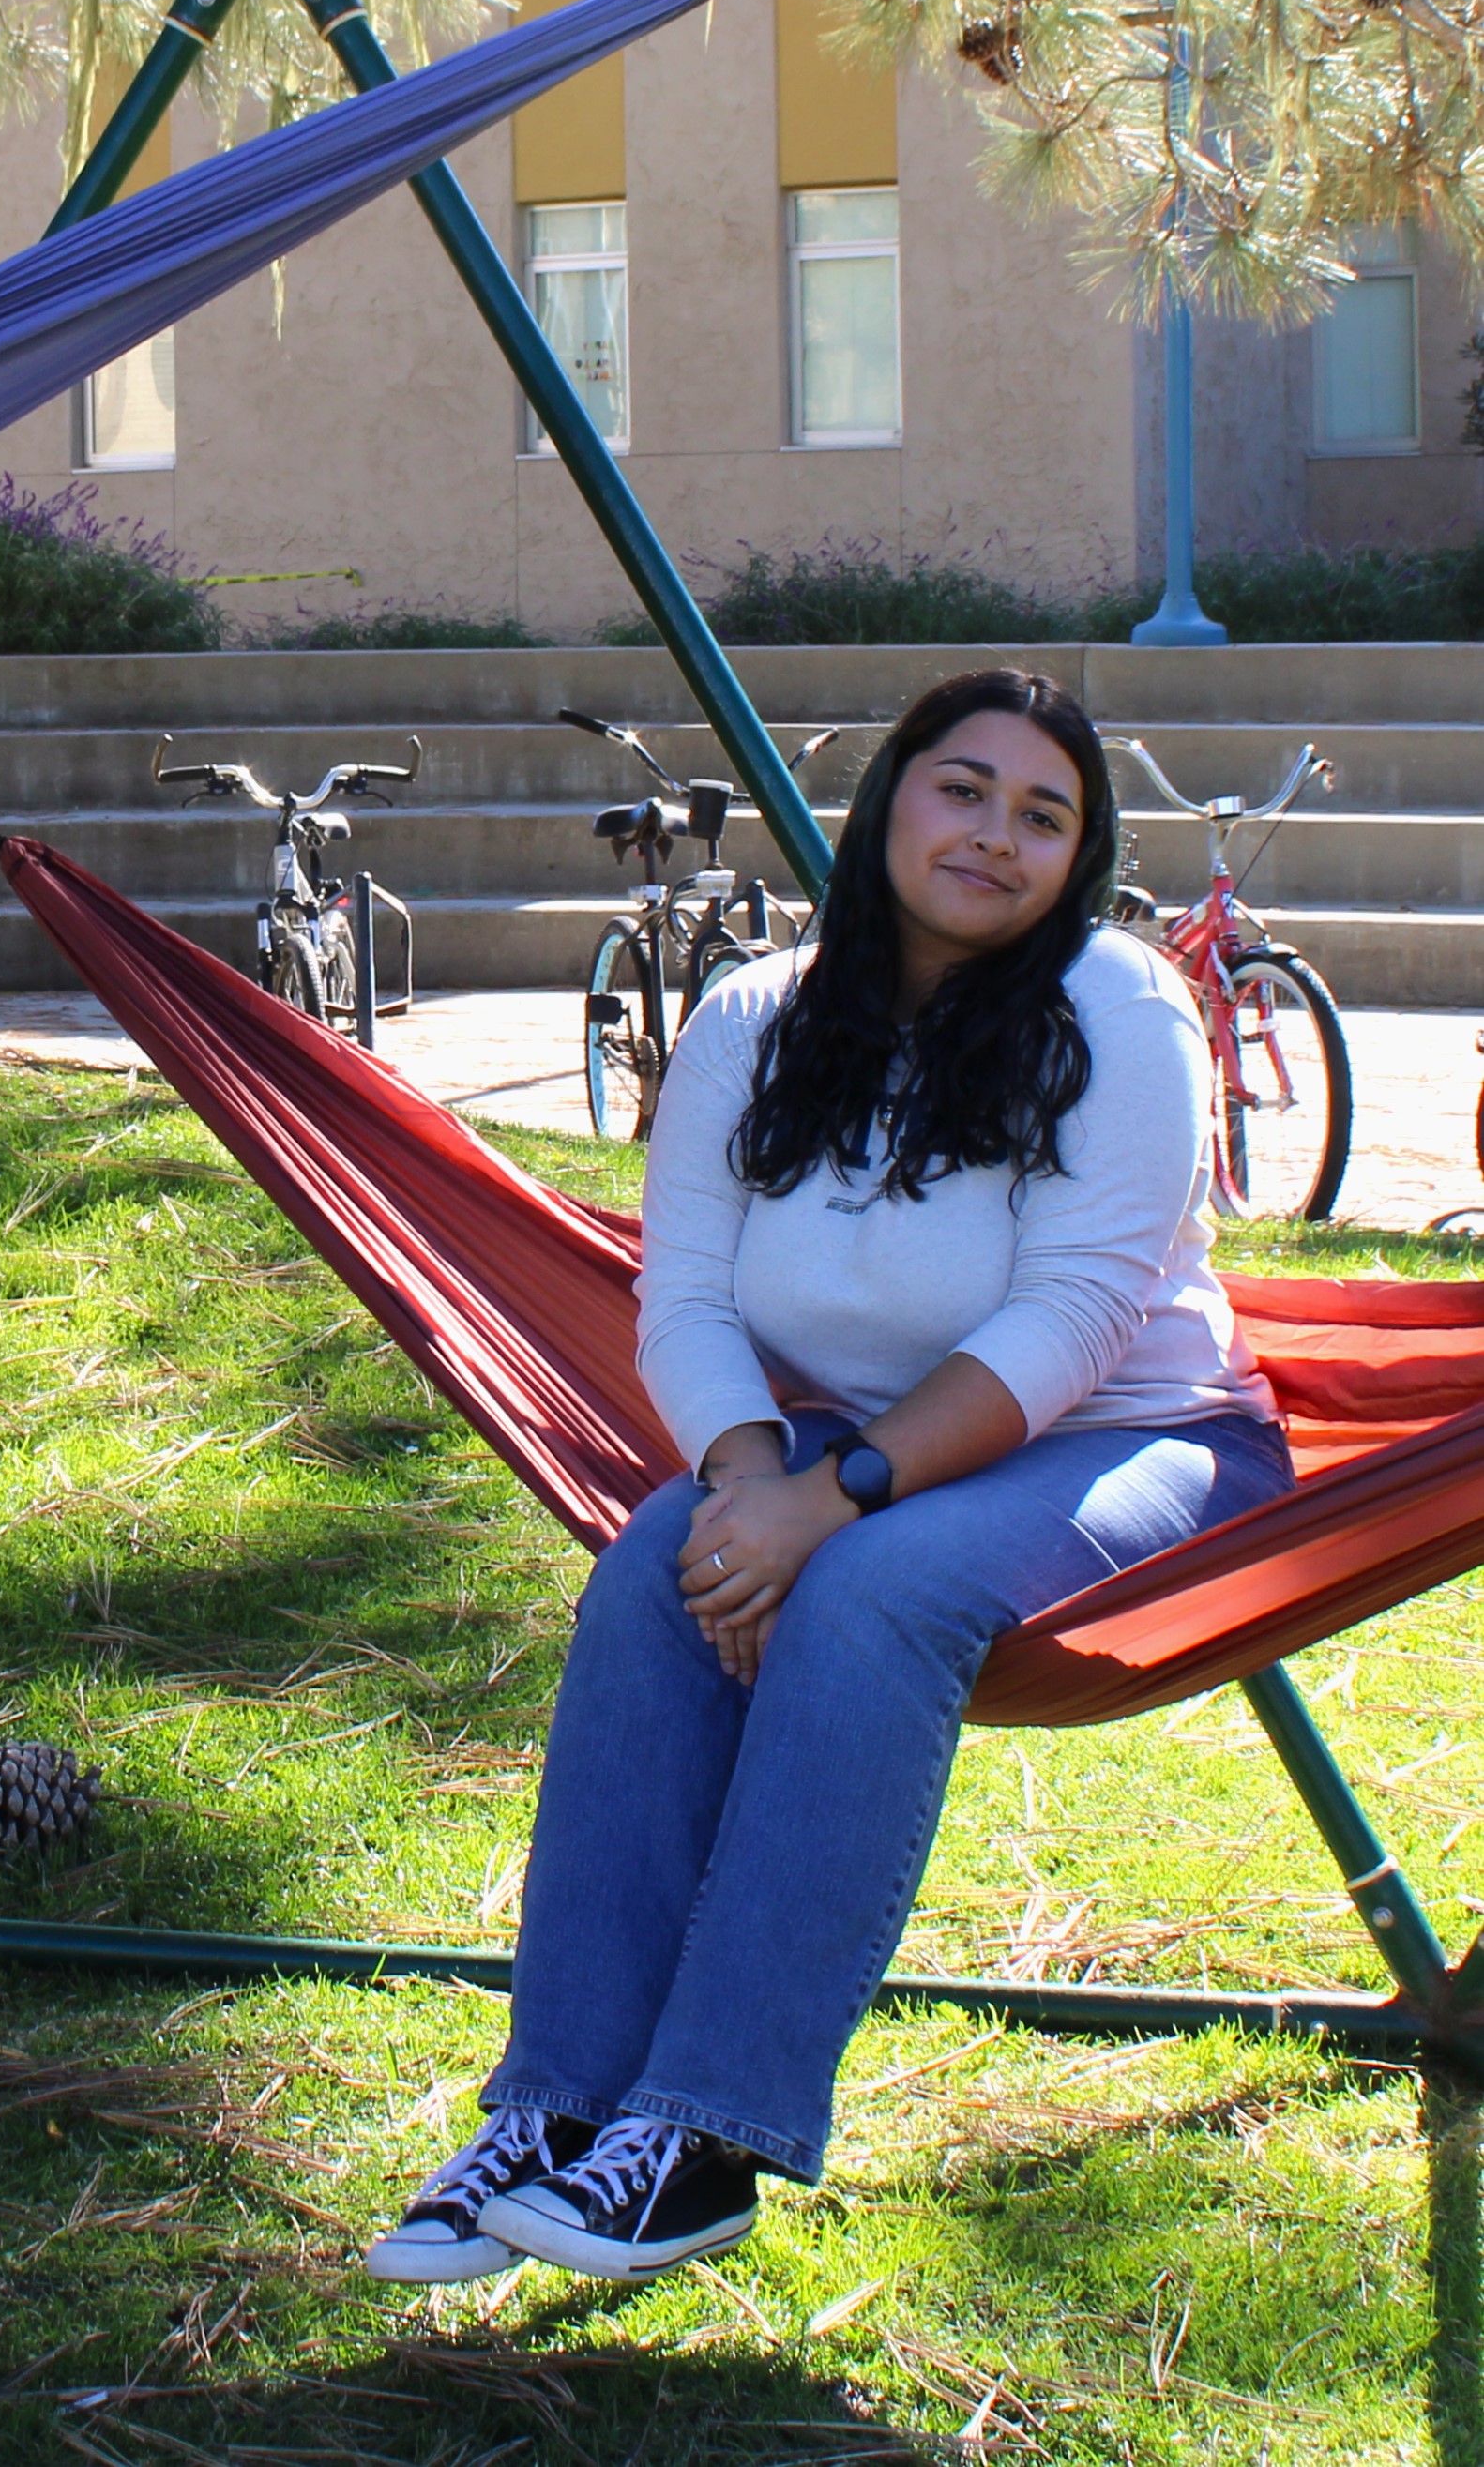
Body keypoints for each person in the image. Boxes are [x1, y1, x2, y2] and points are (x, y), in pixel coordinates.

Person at [366, 667, 1295, 2288]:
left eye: (1042, 815)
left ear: (1079, 860)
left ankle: (712, 2132)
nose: (994, 834)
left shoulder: (1123, 1007)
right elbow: (686, 1300)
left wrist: (827, 1501)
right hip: (834, 1454)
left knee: (866, 1592)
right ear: (887, 808)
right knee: (662, 1562)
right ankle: (559, 2107)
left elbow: (1074, 1320)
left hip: (1138, 1447)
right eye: (961, 788)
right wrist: (744, 1487)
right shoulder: (751, 1017)